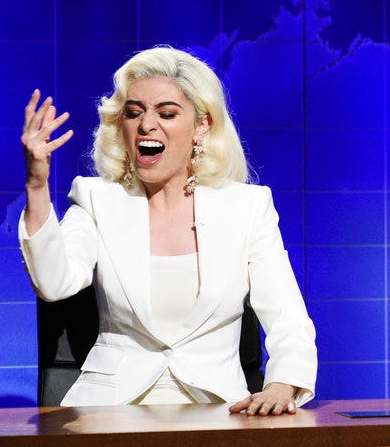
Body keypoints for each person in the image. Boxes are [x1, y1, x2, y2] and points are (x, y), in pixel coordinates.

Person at [20, 46, 316, 414]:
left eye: (167, 113)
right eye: (134, 113)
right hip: (110, 411)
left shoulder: (247, 207)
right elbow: (53, 282)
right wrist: (36, 184)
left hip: (218, 410)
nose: (146, 125)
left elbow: (288, 319)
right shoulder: (98, 199)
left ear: (201, 126)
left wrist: (282, 385)